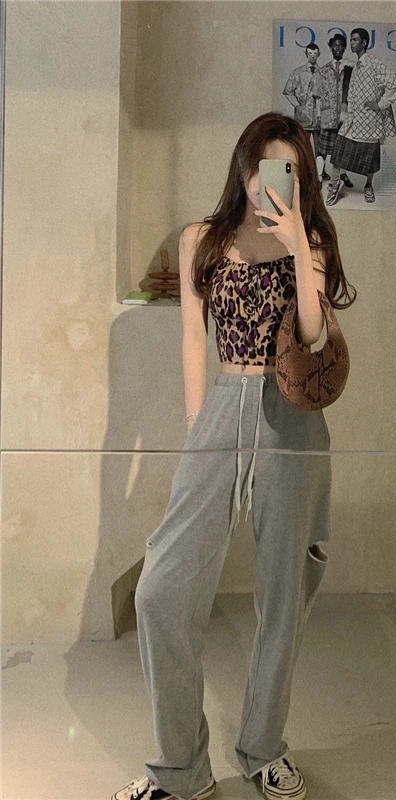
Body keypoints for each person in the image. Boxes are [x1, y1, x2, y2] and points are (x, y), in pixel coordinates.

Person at [112, 112, 356, 800]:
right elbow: (194, 338)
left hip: (292, 421)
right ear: (242, 167)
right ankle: (179, 771)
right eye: (259, 166)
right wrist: (200, 427)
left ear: (300, 178)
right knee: (162, 591)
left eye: (285, 169)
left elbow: (312, 333)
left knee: (285, 595)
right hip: (224, 405)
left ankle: (263, 747)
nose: (265, 182)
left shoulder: (310, 242)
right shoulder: (202, 239)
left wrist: (299, 248)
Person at [325, 28, 396, 206]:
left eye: (355, 40)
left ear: (364, 43)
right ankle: (334, 185)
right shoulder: (355, 67)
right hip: (354, 118)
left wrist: (380, 104)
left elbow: (395, 83)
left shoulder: (375, 64)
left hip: (369, 120)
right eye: (351, 40)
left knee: (370, 155)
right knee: (339, 150)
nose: (352, 43)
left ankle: (368, 186)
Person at [315, 33, 354, 188]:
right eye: (335, 45)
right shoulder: (323, 70)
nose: (338, 48)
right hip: (328, 115)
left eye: (341, 45)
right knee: (322, 149)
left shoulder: (351, 68)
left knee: (343, 148)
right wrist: (319, 115)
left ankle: (342, 175)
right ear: (330, 47)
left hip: (345, 115)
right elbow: (318, 95)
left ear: (344, 48)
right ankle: (318, 176)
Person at [282, 43, 324, 144]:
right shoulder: (298, 72)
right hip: (303, 117)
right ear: (306, 54)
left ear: (319, 54)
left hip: (319, 117)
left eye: (315, 53)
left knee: (320, 148)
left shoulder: (323, 73)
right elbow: (288, 91)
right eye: (310, 53)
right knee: (303, 145)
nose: (312, 56)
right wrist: (297, 105)